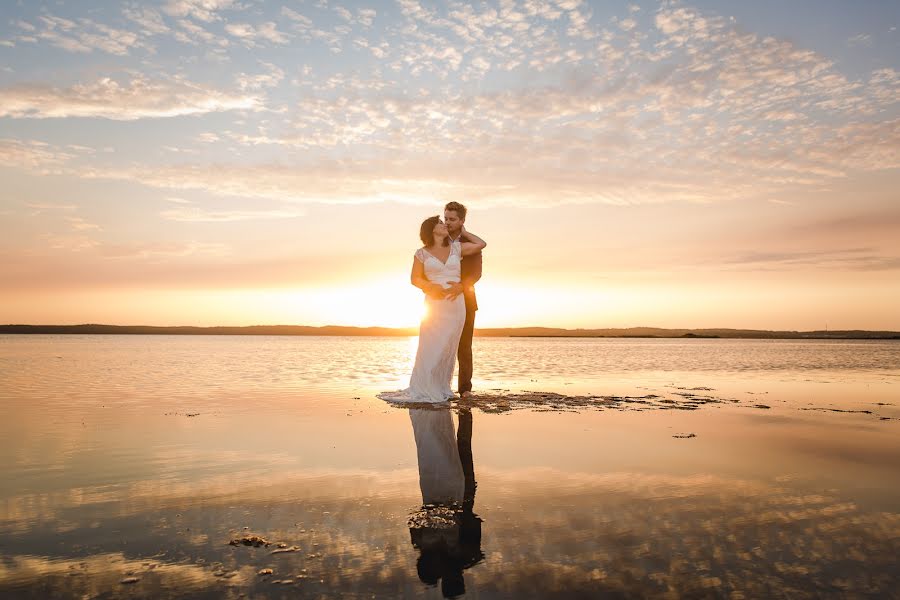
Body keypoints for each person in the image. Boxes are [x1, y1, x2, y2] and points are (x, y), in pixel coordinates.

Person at [379, 216, 486, 403]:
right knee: (430, 346)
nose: (444, 224)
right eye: (440, 222)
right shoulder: (421, 253)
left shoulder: (456, 248)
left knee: (448, 348)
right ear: (431, 229)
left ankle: (441, 386)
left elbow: (481, 244)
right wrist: (429, 287)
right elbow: (415, 279)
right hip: (434, 304)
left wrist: (463, 231)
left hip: (456, 304)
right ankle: (425, 386)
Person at [441, 202, 482, 397]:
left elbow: (476, 273)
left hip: (466, 299)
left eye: (452, 219)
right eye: (446, 218)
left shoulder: (470, 244)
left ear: (462, 221)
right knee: (441, 343)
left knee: (464, 345)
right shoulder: (439, 240)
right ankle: (439, 385)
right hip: (441, 301)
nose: (447, 222)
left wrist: (461, 286)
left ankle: (465, 389)